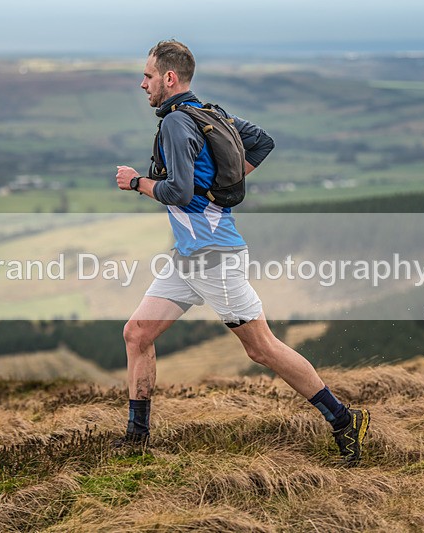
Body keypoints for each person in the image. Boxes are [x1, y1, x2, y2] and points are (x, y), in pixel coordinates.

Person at [115, 39, 369, 465]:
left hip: (214, 257)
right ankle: (136, 439)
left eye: (148, 75)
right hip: (188, 258)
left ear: (170, 78)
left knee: (262, 348)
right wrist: (221, 189)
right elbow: (262, 142)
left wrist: (137, 182)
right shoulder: (211, 115)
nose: (143, 84)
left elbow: (177, 189)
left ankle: (344, 419)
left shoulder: (178, 124)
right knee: (137, 334)